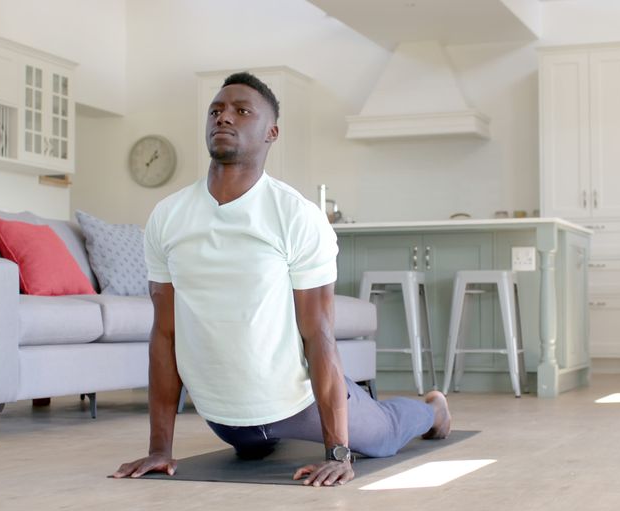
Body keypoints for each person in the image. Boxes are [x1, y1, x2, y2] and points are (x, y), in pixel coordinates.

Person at [112, 72, 451, 487]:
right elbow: (164, 335)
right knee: (251, 449)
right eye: (216, 111)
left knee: (382, 435)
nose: (224, 118)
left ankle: (433, 409)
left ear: (271, 132)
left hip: (296, 402)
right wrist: (160, 450)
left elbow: (319, 334)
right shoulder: (167, 216)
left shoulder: (295, 215)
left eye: (241, 111)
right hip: (223, 418)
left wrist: (338, 453)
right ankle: (260, 436)